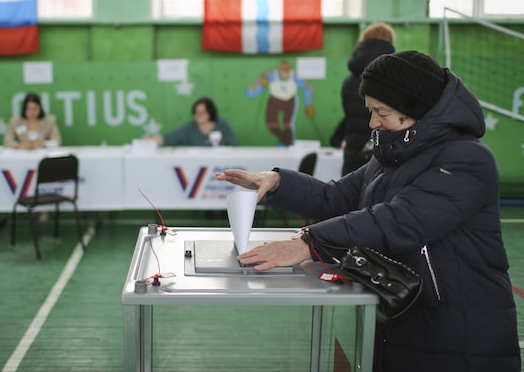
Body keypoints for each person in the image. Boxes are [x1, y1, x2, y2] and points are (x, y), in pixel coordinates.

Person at [217, 51, 521, 372]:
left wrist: (310, 243)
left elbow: (400, 220)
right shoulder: (391, 154)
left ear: (415, 109)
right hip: (404, 314)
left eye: (381, 112)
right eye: (370, 110)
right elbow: (335, 197)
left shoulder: (466, 160)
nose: (372, 122)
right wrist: (278, 182)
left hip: (459, 331)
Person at [340, 22, 396, 176]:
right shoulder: (393, 79)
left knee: (349, 189)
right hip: (383, 150)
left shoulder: (348, 81)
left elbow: (350, 116)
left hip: (353, 149)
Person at [246, 60, 313, 147]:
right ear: (279, 69)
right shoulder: (272, 75)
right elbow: (250, 93)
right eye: (283, 70)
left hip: (289, 100)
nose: (285, 72)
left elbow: (307, 87)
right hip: (275, 100)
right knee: (271, 124)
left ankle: (286, 145)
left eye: (287, 70)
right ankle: (285, 141)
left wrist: (308, 105)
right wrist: (261, 85)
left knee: (287, 125)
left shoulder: (294, 76)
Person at [147, 97, 238, 146]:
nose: (197, 116)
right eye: (195, 112)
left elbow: (234, 146)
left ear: (210, 112)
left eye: (201, 113)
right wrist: (150, 140)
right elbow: (170, 138)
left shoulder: (222, 125)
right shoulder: (190, 127)